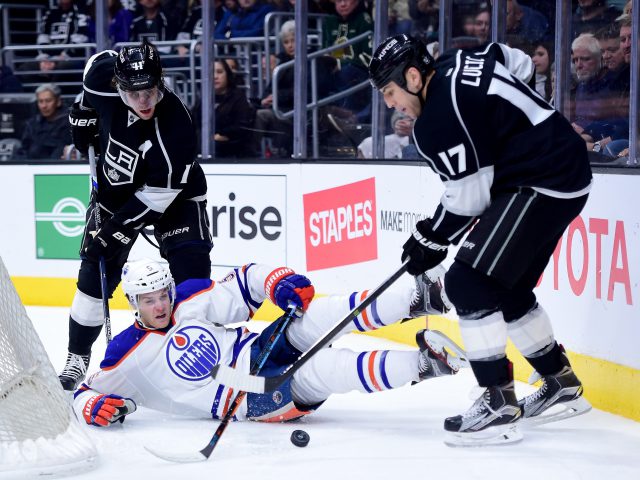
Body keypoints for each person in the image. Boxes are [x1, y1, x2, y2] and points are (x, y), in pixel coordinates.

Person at [368, 34, 593, 446]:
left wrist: (430, 239)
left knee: (467, 283)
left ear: (414, 76)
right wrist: (525, 126)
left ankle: (497, 401)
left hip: (541, 180)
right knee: (506, 287)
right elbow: (516, 61)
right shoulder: (460, 60)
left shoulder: (437, 119)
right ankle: (559, 382)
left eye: (390, 91)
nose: (390, 104)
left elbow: (470, 195)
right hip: (562, 169)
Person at [72, 258, 461, 426]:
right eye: (148, 299)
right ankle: (425, 365)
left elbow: (246, 281)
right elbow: (83, 393)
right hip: (246, 398)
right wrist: (96, 408)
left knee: (321, 316)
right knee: (326, 369)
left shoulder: (188, 298)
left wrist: (278, 281)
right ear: (132, 303)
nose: (159, 305)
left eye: (162, 294)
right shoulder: (125, 354)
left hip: (259, 349)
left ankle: (419, 299)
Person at [59, 41, 212, 391]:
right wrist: (82, 113)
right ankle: (77, 356)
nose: (144, 101)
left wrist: (114, 231)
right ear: (117, 85)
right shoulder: (103, 75)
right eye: (134, 92)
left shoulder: (176, 126)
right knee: (93, 275)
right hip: (114, 193)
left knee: (192, 274)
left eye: (151, 91)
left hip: (173, 196)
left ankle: (194, 352)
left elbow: (158, 196)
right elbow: (95, 65)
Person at [16, 83, 72, 160]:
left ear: (58, 101)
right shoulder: (32, 123)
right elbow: (23, 150)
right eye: (40, 101)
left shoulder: (69, 123)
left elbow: (62, 151)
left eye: (48, 101)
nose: (44, 106)